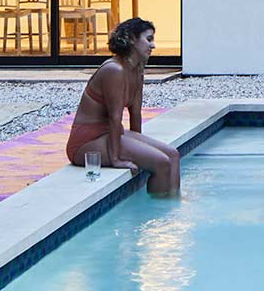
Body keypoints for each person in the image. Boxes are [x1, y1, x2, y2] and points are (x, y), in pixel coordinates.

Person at [64, 17, 181, 196]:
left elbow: (135, 114)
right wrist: (116, 159)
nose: (153, 46)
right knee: (161, 163)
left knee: (172, 155)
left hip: (109, 135)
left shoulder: (137, 69)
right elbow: (115, 117)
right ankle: (157, 216)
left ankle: (171, 208)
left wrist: (140, 147)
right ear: (133, 40)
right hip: (86, 144)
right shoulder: (114, 70)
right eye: (149, 39)